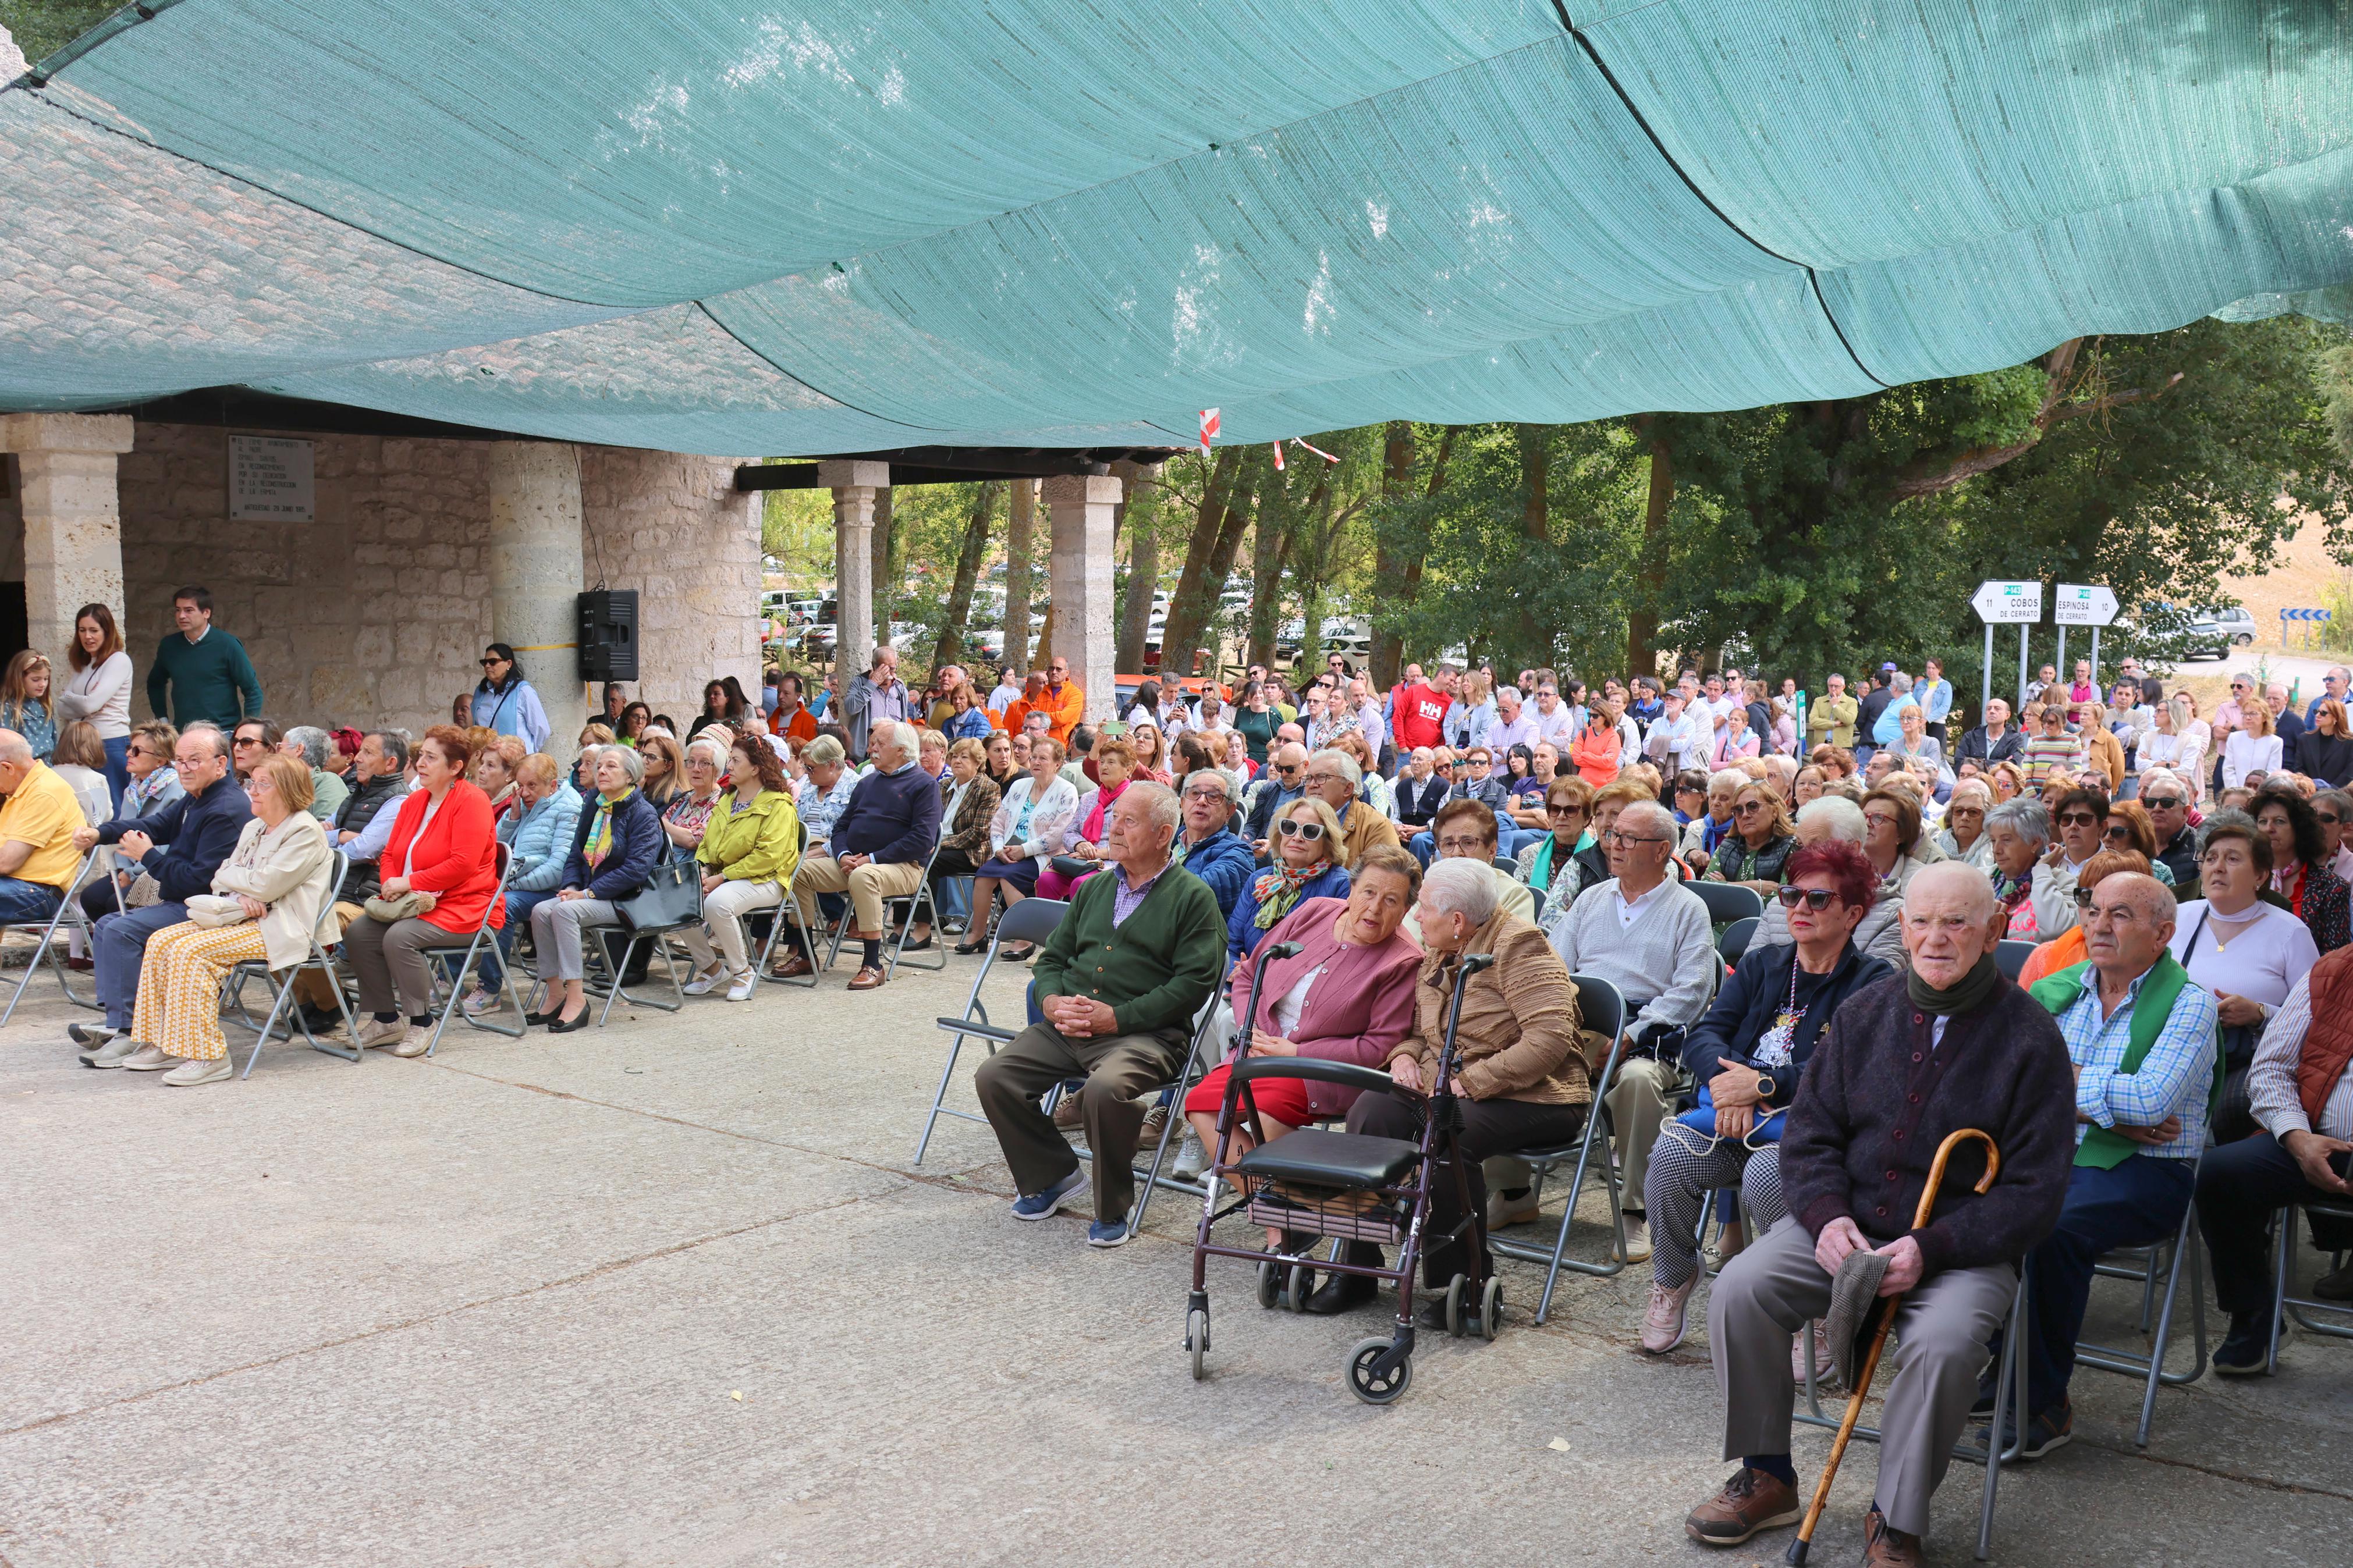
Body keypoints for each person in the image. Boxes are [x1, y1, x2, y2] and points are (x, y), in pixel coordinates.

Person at [1687, 863, 2074, 1564]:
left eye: (1956, 921)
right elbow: (1808, 1140)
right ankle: (1768, 1472)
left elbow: (2035, 1193)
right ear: (1900, 926)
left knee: (1946, 1343)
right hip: (1849, 1227)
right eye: (1921, 921)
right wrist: (1828, 1218)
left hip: (1959, 1249)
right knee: (1740, 1288)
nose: (1935, 937)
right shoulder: (1865, 1013)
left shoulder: (2030, 1036)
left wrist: (1931, 1246)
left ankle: (1896, 1517)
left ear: (1992, 932)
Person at [1303, 858, 1591, 1321]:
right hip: (1449, 1087)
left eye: (1422, 906)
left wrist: (1468, 1082)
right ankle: (1356, 1268)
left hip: (1537, 1095)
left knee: (1446, 1133)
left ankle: (1468, 1285)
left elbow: (1549, 1040)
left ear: (1457, 920)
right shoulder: (1440, 950)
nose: (1415, 915)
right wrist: (1402, 1057)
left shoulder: (1521, 947)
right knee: (1369, 1112)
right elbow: (1419, 1033)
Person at [1641, 840, 1894, 1353]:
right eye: (1790, 894)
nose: (1799, 909)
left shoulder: (1873, 982)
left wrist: (1761, 1086)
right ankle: (1673, 1277)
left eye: (1817, 899)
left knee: (1766, 1171)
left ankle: (1820, 1305)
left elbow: (1850, 1071)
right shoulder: (1762, 966)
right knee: (1669, 1154)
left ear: (1852, 913)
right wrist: (1727, 1089)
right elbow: (1706, 1034)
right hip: (1734, 1120)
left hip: (1816, 1135)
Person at [2006, 872, 2217, 1449]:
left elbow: (2152, 1101)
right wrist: (2111, 1110)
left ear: (2161, 933)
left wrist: (2061, 1089)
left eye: (2120, 914)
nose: (2099, 924)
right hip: (2051, 1153)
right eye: (2092, 909)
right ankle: (1998, 1367)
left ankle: (2041, 1403)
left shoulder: (2189, 1004)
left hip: (2148, 1171)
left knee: (2049, 1227)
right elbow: (2002, 1082)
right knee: (1968, 1200)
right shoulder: (2058, 990)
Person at [974, 781, 1222, 1247]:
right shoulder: (1093, 889)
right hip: (1070, 1025)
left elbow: (1193, 986)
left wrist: (1118, 1018)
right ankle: (1054, 1176)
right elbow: (1051, 960)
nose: (1115, 827)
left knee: (1104, 1092)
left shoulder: (1192, 898)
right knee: (995, 1076)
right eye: (1115, 817)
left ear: (1164, 833)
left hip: (1147, 1034)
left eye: (1130, 820)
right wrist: (1050, 1002)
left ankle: (1113, 1207)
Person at [1184, 847, 1425, 1243]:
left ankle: (1279, 1234)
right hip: (1260, 1053)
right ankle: (1308, 1208)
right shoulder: (1314, 911)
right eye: (1367, 892)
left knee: (1264, 1119)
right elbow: (1248, 975)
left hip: (1320, 1073)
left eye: (1391, 900)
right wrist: (1252, 1031)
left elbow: (1377, 1046)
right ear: (1350, 889)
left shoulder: (1401, 960)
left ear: (1405, 911)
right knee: (1201, 1106)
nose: (1374, 908)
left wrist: (1294, 1052)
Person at [1546, 800, 1719, 1260]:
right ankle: (1509, 1192)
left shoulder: (1688, 909)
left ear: (1662, 849)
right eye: (1611, 835)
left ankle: (1636, 1210)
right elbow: (1555, 968)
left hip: (1649, 1033)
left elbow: (1693, 990)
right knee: (1523, 1065)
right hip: (1582, 1022)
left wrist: (1631, 1033)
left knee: (1638, 1082)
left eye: (1627, 838)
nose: (1613, 845)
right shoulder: (1591, 898)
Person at [98, 755, 336, 1086]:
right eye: (252, 782)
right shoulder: (255, 826)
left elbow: (266, 884)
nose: (252, 790)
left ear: (289, 790)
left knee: (191, 951)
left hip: (281, 926)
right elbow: (218, 877)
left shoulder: (305, 831)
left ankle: (210, 1055)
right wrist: (244, 892)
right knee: (161, 941)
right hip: (241, 916)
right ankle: (167, 1042)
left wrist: (243, 884)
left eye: (263, 784)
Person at [2195, 937, 2353, 1374]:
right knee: (2219, 1174)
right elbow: (2270, 1067)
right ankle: (2253, 1317)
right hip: (2315, 1136)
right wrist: (2298, 1138)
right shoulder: (2334, 969)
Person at [68, 724, 253, 1062]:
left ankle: (131, 1031)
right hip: (183, 900)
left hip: (208, 907)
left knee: (121, 929)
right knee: (109, 923)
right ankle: (123, 1023)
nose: (185, 768)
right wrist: (100, 833)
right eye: (180, 761)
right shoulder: (196, 797)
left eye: (194, 760)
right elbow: (153, 825)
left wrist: (148, 856)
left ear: (220, 763)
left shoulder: (225, 808)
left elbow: (199, 882)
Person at [334, 726, 503, 1055]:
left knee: (399, 938)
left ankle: (422, 1022)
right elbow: (392, 854)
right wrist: (390, 884)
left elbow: (463, 865)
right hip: (413, 902)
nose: (421, 763)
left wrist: (408, 883)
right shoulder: (414, 801)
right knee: (358, 932)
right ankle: (386, 1019)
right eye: (420, 756)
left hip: (465, 906)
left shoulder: (472, 801)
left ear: (455, 768)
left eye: (431, 758)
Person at [2170, 812, 2322, 1142]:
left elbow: (2318, 1021)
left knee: (2227, 1117)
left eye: (2233, 858)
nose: (2217, 867)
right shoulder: (2178, 917)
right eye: (2210, 858)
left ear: (2260, 876)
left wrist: (2260, 1014)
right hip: (2171, 1050)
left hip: (2246, 1061)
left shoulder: (2290, 933)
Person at [776, 721, 942, 990]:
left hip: (903, 867)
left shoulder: (924, 784)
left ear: (901, 750)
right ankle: (805, 954)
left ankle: (873, 964)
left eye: (879, 744)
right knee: (799, 871)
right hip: (854, 861)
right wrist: (842, 855)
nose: (871, 749)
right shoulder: (869, 782)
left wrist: (872, 859)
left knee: (865, 876)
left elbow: (922, 840)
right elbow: (842, 827)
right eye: (873, 743)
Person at [524, 743, 663, 1032]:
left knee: (564, 913)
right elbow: (575, 854)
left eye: (611, 766)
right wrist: (572, 886)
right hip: (587, 893)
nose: (601, 770)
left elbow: (636, 871)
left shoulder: (643, 814)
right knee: (540, 911)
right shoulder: (594, 804)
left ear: (630, 776)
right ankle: (556, 993)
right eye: (600, 765)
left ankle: (577, 999)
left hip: (626, 899)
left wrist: (585, 894)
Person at [676, 734, 801, 1000]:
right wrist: (704, 869)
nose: (729, 766)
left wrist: (722, 877)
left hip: (767, 879)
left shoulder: (778, 804)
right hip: (725, 877)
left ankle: (743, 972)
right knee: (676, 898)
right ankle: (712, 969)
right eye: (730, 760)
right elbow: (708, 843)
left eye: (735, 760)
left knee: (716, 904)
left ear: (755, 768)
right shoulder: (726, 801)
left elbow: (768, 857)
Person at [458, 752, 581, 1018]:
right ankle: (449, 978)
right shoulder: (525, 804)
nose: (524, 792)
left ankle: (489, 990)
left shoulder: (568, 808)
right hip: (516, 880)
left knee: (501, 907)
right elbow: (491, 845)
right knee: (463, 898)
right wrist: (513, 816)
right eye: (520, 785)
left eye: (532, 786)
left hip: (549, 890)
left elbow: (557, 869)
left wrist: (509, 886)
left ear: (551, 785)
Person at [956, 737, 1079, 957]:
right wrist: (998, 848)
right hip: (1008, 851)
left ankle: (1024, 940)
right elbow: (998, 821)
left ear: (1058, 764)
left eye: (1043, 758)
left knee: (1009, 878)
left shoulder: (1066, 791)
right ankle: (978, 933)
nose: (1036, 762)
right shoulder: (1020, 785)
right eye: (1034, 758)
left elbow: (1058, 834)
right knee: (983, 876)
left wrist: (1025, 850)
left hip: (1042, 855)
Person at [1230, 797, 1353, 962]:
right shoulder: (1259, 879)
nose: (1297, 837)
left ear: (1328, 841)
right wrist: (1238, 974)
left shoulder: (1342, 886)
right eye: (1289, 827)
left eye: (1310, 831)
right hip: (1242, 982)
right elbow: (1232, 944)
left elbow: (1327, 958)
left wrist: (1255, 974)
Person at [0, 728, 90, 935]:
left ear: (8, 768)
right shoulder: (19, 788)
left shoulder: (44, 791)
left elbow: (7, 862)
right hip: (16, 886)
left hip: (38, 893)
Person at [144, 585, 264, 731]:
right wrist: (162, 720)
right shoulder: (169, 645)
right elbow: (155, 683)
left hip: (223, 733)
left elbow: (252, 690)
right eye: (178, 610)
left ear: (206, 613)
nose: (181, 616)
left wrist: (245, 731)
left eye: (189, 610)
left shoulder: (228, 645)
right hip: (184, 733)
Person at [2251, 784, 2351, 955]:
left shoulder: (2332, 886)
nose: (2269, 828)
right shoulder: (2245, 877)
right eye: (2263, 821)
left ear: (2299, 830)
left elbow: (2335, 957)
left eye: (2279, 821)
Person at [1039, 735, 1138, 901]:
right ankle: (1048, 926)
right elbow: (1070, 832)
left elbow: (1134, 842)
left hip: (1112, 863)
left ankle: (1076, 927)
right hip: (1082, 860)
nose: (1104, 767)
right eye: (1102, 761)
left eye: (1111, 763)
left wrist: (1098, 853)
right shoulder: (1089, 798)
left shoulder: (1134, 799)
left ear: (1128, 770)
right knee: (1047, 880)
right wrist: (1080, 844)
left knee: (1082, 884)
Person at [58, 602, 133, 807]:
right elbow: (61, 708)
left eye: (94, 630)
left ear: (107, 632)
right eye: (82, 630)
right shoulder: (84, 664)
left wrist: (70, 697)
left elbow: (90, 705)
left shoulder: (118, 660)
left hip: (110, 742)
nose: (87, 636)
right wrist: (80, 701)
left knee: (114, 805)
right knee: (89, 808)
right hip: (81, 745)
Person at [1173, 769, 1257, 921]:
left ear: (1229, 812)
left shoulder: (1239, 855)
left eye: (1213, 796)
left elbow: (1192, 895)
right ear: (1183, 803)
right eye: (1194, 793)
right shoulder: (1171, 838)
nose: (1202, 801)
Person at [1301, 747, 1400, 869]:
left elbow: (1384, 881)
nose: (1312, 785)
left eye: (1322, 777)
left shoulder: (1376, 826)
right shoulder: (1297, 820)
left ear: (1348, 788)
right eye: (1309, 778)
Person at [1513, 773, 1596, 906]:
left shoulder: (1599, 860)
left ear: (1587, 818)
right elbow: (1517, 904)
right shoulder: (1529, 854)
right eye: (1555, 809)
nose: (1561, 816)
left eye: (1571, 810)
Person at [1708, 779, 1797, 894]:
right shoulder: (1727, 847)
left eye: (1753, 806)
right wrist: (1758, 887)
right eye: (1738, 810)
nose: (1745, 815)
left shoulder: (1791, 848)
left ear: (1774, 811)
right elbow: (1707, 888)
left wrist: (1725, 886)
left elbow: (1786, 895)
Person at [469, 643, 551, 752]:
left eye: (493, 662)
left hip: (515, 761)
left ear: (508, 664)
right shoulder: (481, 692)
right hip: (488, 760)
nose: (488, 666)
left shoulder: (523, 692)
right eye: (484, 663)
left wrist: (528, 752)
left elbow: (542, 730)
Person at [843, 643, 910, 762]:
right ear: (874, 666)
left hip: (891, 752)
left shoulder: (900, 688)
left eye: (892, 669)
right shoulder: (860, 682)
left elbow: (902, 721)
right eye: (883, 669)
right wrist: (872, 684)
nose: (888, 673)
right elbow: (851, 708)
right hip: (864, 753)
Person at [2134, 769, 2199, 890]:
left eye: (2167, 803)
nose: (2157, 808)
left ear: (2186, 812)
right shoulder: (2132, 843)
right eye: (2151, 802)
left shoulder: (2202, 848)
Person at [0, 649, 56, 763]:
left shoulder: (45, 705)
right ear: (19, 679)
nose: (43, 684)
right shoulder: (8, 709)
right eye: (36, 680)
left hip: (48, 769)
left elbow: (54, 741)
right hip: (23, 771)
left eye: (46, 679)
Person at [1932, 777, 1994, 871]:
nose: (1965, 817)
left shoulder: (1996, 852)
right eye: (1959, 811)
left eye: (1973, 812)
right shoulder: (1934, 847)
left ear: (1985, 818)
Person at [2224, 699, 2281, 790]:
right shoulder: (2234, 738)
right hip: (2236, 793)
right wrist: (2237, 791)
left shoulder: (2275, 742)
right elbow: (2228, 769)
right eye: (2245, 714)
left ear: (2265, 717)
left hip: (2261, 794)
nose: (2248, 718)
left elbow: (2273, 773)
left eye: (2253, 714)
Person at [2297, 697, 2353, 789]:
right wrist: (2309, 786)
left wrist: (2331, 790)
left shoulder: (2350, 742)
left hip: (2337, 795)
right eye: (2317, 712)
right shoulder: (2304, 739)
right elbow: (2299, 768)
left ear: (2336, 717)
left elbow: (2349, 772)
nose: (2318, 715)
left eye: (2323, 713)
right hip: (2308, 792)